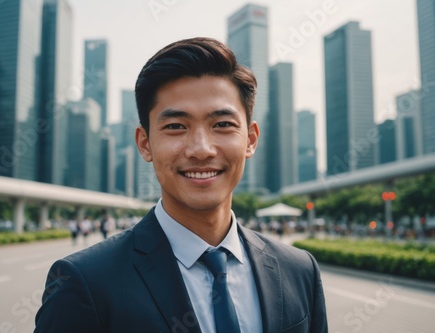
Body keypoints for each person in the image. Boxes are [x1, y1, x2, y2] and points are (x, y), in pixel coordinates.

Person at [35, 37, 328, 333]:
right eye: (176, 126)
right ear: (145, 143)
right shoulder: (85, 281)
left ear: (250, 139)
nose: (201, 149)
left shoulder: (299, 270)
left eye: (222, 124)